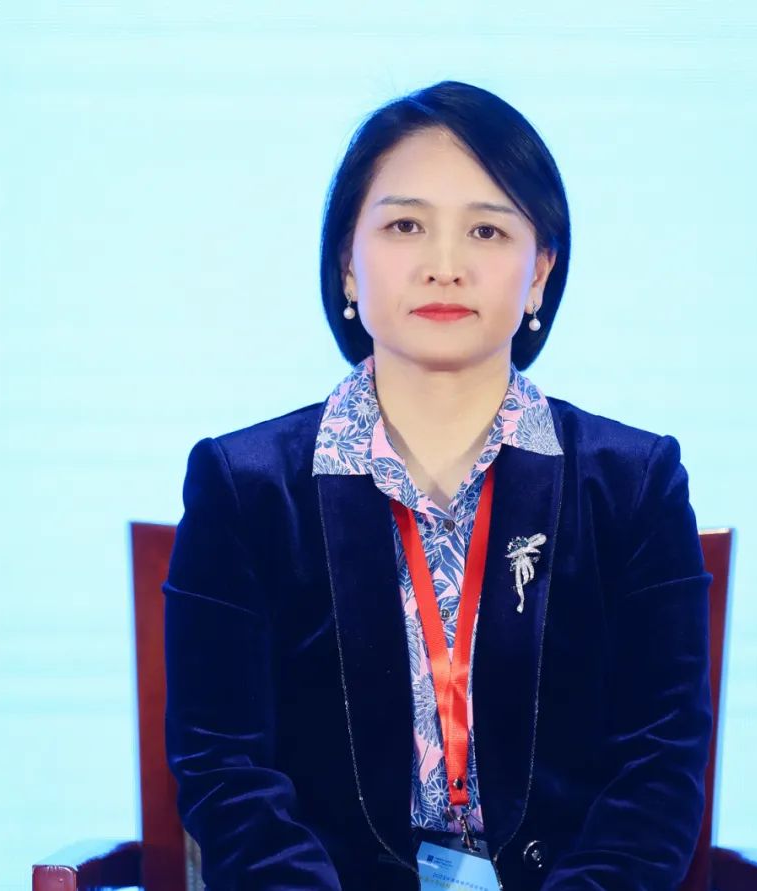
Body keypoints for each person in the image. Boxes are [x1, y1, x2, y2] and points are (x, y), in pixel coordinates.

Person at [163, 80, 713, 891]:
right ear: (347, 264)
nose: (445, 266)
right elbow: (225, 769)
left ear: (540, 271)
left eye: (487, 230)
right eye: (405, 225)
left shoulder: (633, 487)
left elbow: (658, 772)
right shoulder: (244, 488)